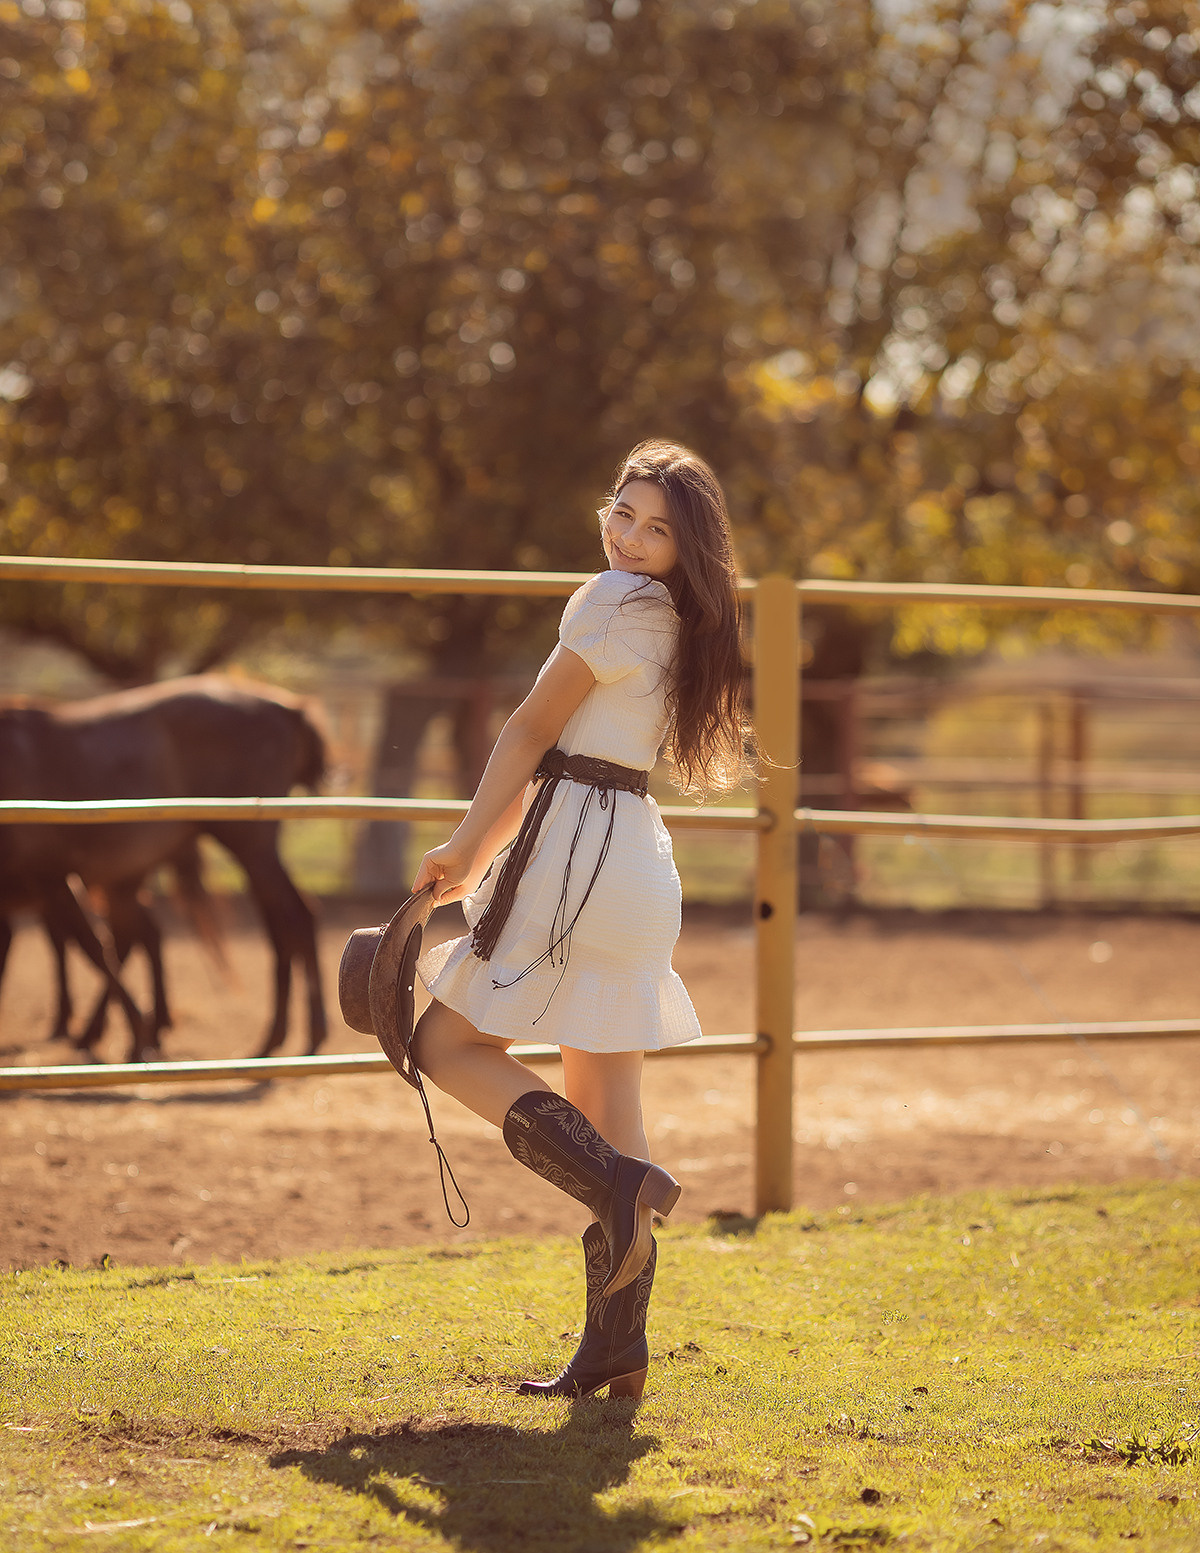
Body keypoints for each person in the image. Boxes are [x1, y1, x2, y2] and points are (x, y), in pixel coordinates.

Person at [411, 438, 752, 1400]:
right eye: (623, 514)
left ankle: (615, 1189)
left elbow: (528, 730)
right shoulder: (690, 620)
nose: (632, 538)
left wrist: (468, 847)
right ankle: (617, 1352)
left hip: (575, 860)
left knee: (444, 1042)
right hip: (635, 859)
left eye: (657, 529)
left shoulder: (608, 601)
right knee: (612, 1114)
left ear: (688, 547)